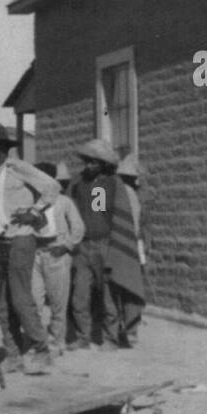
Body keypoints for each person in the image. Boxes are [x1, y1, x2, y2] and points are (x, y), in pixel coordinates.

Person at [0, 122, 62, 374]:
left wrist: (34, 212)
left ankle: (41, 349)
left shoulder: (17, 168)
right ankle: (12, 353)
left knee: (21, 298)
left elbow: (52, 187)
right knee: (0, 302)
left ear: (3, 149)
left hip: (20, 239)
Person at [66, 139, 144, 350]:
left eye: (93, 162)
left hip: (105, 246)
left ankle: (110, 338)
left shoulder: (109, 184)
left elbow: (101, 216)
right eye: (87, 161)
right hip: (82, 247)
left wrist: (113, 245)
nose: (89, 165)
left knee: (109, 297)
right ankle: (83, 336)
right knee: (79, 295)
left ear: (103, 164)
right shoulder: (78, 183)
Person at [32, 161, 86, 355]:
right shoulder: (32, 202)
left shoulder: (63, 202)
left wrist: (65, 246)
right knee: (35, 301)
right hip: (37, 255)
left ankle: (56, 342)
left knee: (57, 303)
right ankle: (37, 341)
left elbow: (78, 228)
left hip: (57, 255)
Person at [116, 153, 149, 345]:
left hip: (126, 243)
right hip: (136, 243)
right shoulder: (135, 194)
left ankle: (128, 326)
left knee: (125, 286)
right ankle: (132, 327)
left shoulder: (124, 193)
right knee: (133, 284)